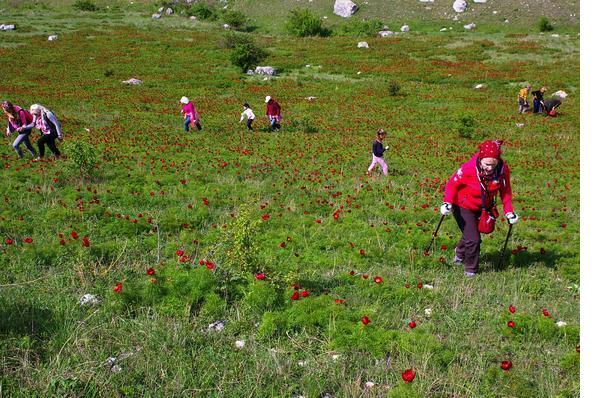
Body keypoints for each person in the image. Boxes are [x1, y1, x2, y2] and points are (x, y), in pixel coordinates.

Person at [439, 140, 519, 277]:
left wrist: (509, 212)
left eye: (493, 165)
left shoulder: (502, 169)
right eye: (487, 164)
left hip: (483, 207)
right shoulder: (468, 168)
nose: (490, 168)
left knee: (471, 234)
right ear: (480, 159)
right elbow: (451, 185)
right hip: (462, 205)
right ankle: (471, 271)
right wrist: (447, 202)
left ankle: (459, 254)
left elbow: (506, 192)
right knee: (474, 239)